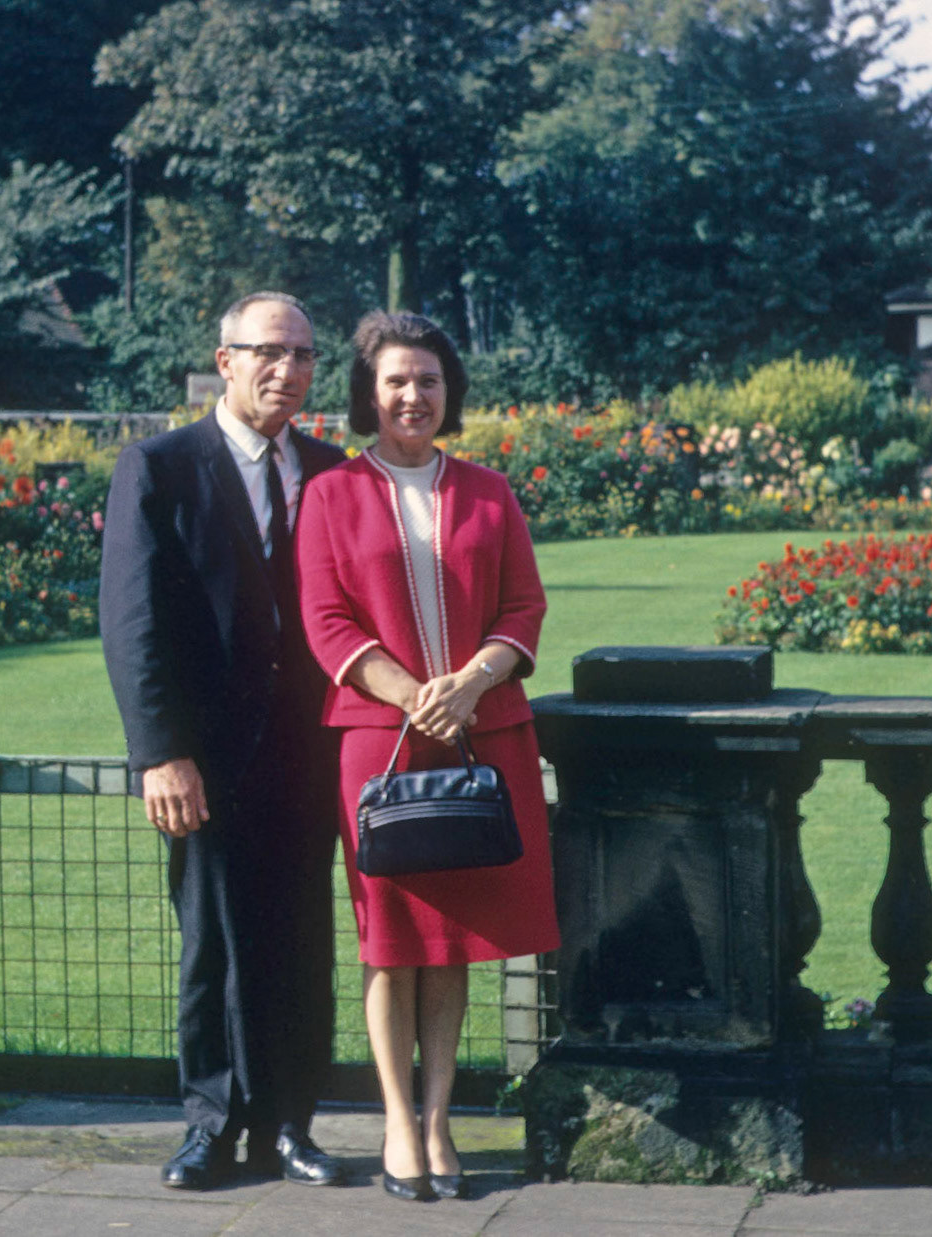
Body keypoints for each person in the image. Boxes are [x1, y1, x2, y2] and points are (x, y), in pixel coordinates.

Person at [296, 310, 559, 1203]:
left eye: (429, 379)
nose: (414, 395)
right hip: (381, 743)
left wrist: (471, 682)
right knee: (391, 940)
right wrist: (414, 694)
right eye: (397, 380)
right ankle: (397, 1124)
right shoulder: (330, 494)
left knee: (450, 942)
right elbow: (325, 619)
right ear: (367, 393)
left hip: (484, 734)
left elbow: (523, 606)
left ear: (451, 391)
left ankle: (441, 1119)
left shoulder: (489, 491)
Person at [100, 291, 349, 1190]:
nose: (289, 370)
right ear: (225, 361)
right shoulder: (161, 466)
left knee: (301, 939)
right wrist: (159, 752)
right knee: (211, 941)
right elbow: (130, 621)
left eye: (304, 355)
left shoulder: (330, 469)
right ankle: (209, 1123)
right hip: (202, 757)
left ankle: (289, 1125)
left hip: (311, 751)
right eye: (269, 352)